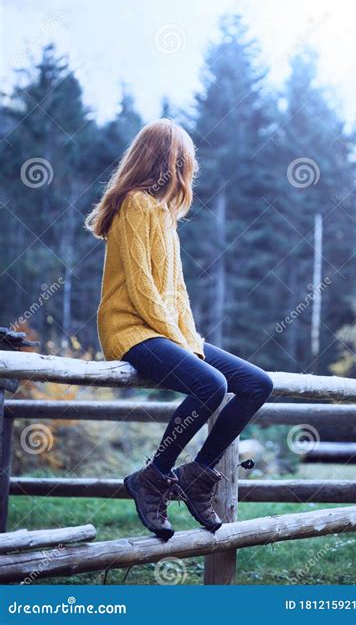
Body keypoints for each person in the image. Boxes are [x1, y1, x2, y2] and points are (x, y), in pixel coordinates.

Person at [85, 119, 273, 540]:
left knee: (257, 383)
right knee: (210, 384)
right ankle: (154, 476)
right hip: (130, 329)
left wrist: (189, 339)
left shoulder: (165, 216)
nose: (191, 169)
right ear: (168, 161)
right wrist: (179, 342)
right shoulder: (134, 204)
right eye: (186, 160)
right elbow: (140, 287)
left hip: (163, 330)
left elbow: (178, 291)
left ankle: (198, 473)